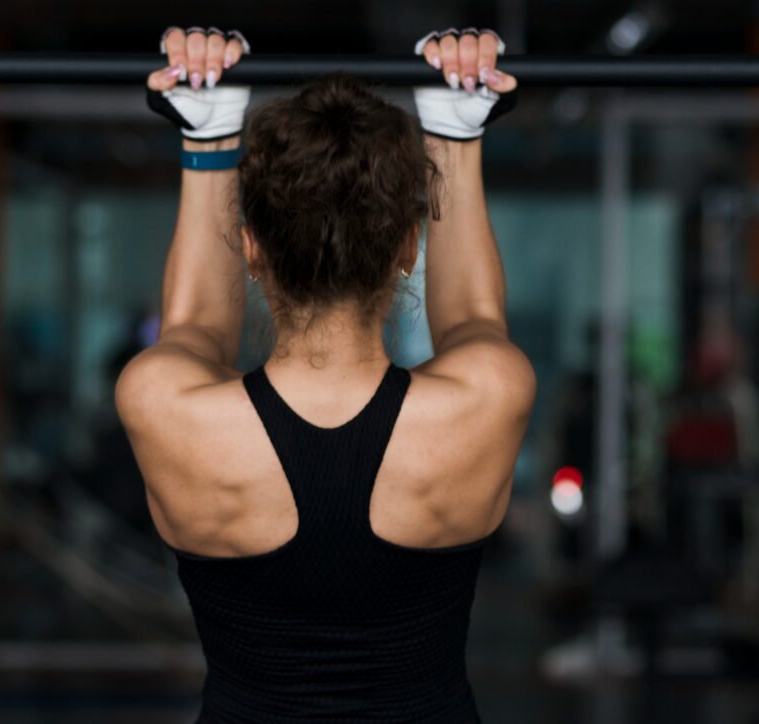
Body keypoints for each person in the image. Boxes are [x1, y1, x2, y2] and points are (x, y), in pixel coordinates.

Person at [116, 24, 535, 722]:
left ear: (251, 249)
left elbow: (194, 325)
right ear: (408, 248)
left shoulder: (164, 407)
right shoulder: (486, 402)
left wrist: (210, 135)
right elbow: (473, 318)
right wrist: (454, 133)